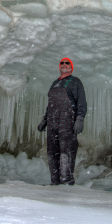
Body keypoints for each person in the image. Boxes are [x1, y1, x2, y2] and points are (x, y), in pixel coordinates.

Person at [37, 57, 87, 185]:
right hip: (53, 122)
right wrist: (45, 120)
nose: (64, 65)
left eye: (67, 63)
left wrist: (80, 118)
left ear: (71, 67)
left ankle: (66, 182)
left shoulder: (75, 82)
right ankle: (55, 182)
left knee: (66, 151)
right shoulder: (55, 83)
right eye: (62, 63)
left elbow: (81, 101)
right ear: (59, 67)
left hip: (67, 122)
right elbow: (51, 104)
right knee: (52, 152)